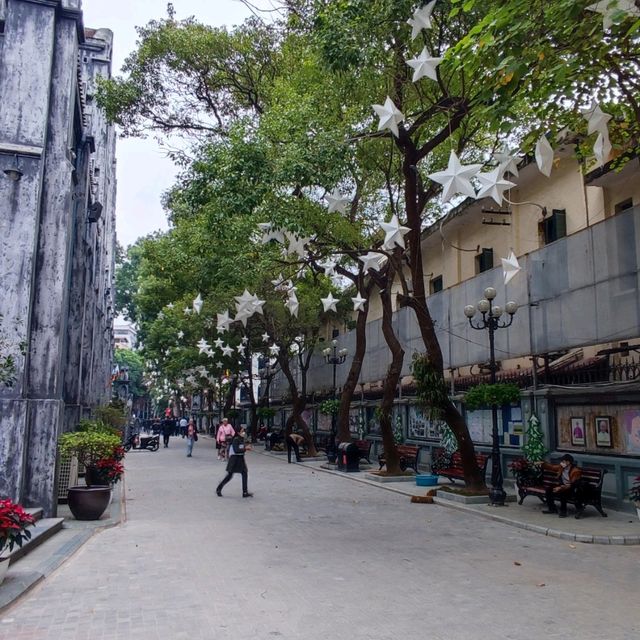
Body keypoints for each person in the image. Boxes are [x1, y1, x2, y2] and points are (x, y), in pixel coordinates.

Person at [540, 454, 584, 519]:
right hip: (563, 486)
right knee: (549, 489)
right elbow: (552, 467)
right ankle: (552, 508)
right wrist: (542, 463)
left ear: (568, 462)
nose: (561, 463)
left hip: (573, 488)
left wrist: (560, 488)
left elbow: (572, 484)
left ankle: (563, 511)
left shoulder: (576, 471)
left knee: (563, 492)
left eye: (563, 461)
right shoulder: (561, 467)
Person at [216, 426, 253, 498]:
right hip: (234, 459)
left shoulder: (241, 439)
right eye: (242, 431)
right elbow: (236, 450)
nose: (244, 432)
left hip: (240, 458)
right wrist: (246, 448)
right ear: (238, 432)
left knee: (244, 473)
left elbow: (241, 448)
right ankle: (219, 488)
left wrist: (246, 447)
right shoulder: (236, 439)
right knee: (229, 476)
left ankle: (245, 492)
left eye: (244, 431)